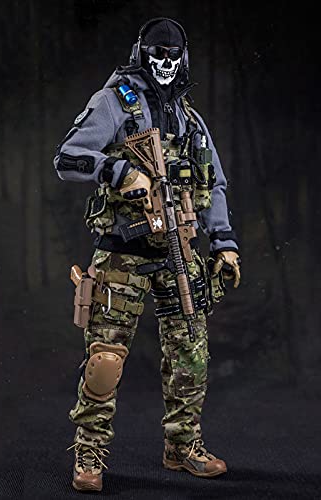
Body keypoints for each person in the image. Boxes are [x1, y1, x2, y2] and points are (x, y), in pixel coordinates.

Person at [54, 17, 241, 492]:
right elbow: (68, 158)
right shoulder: (116, 103)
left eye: (174, 57)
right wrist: (118, 173)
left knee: (190, 354)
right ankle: (89, 453)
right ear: (143, 53)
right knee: (105, 360)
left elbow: (213, 184)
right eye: (158, 55)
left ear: (184, 59)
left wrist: (224, 243)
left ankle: (182, 445)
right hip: (123, 254)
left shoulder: (189, 119)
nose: (166, 64)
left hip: (179, 251)